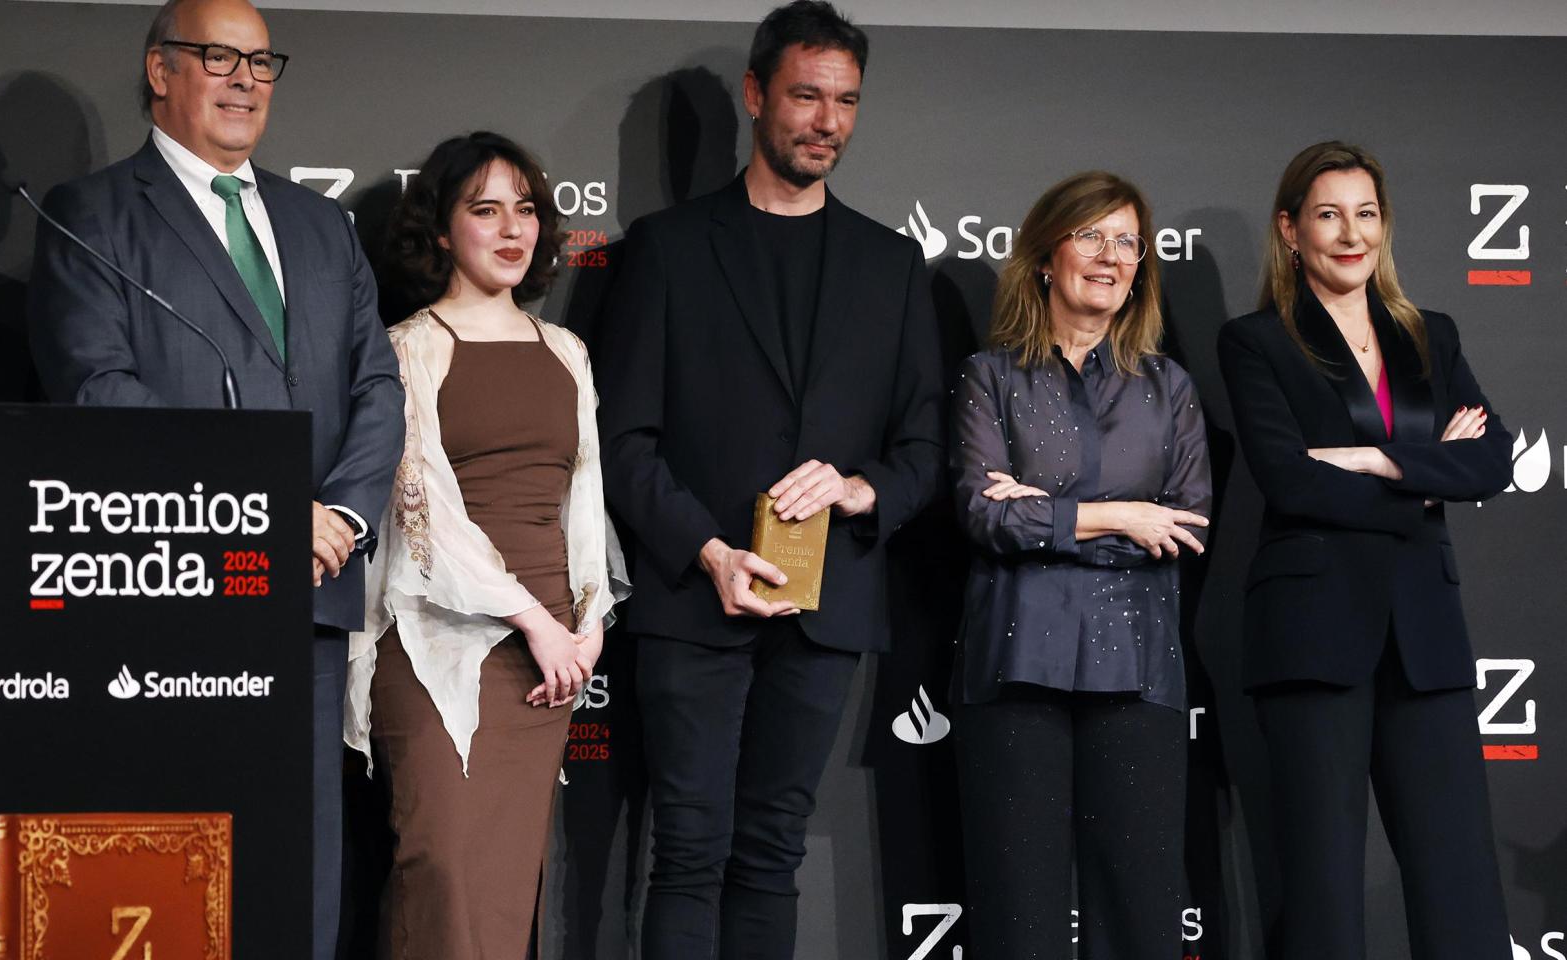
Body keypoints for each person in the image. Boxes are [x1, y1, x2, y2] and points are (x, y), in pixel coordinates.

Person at [24, 2, 405, 956]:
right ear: (161, 71)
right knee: (178, 867)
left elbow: (377, 386)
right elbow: (97, 391)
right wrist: (268, 511)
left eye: (261, 62)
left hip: (310, 594)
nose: (244, 80)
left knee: (297, 868)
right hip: (171, 601)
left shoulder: (322, 226)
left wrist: (341, 519)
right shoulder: (93, 214)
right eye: (218, 57)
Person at [595, 3, 943, 956]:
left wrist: (861, 490)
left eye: (846, 101)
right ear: (756, 95)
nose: (826, 121)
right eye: (806, 95)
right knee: (689, 853)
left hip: (826, 607)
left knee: (771, 855)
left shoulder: (891, 264)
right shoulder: (669, 248)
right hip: (693, 598)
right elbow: (622, 440)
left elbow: (924, 448)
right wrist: (708, 551)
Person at [1218, 141, 1513, 960]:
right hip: (1313, 636)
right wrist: (1429, 475)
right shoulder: (1256, 342)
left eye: (1366, 214)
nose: (1351, 234)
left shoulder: (1431, 336)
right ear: (1291, 230)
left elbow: (1494, 460)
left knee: (1461, 886)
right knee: (1322, 894)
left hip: (1425, 634)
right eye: (1328, 215)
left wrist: (1378, 460)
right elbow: (1291, 481)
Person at [344, 131, 626, 960]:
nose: (512, 229)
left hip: (549, 662)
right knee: (440, 868)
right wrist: (535, 622)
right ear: (440, 229)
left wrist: (587, 627)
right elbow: (422, 511)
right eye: (486, 210)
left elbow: (586, 503)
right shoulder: (408, 348)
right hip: (437, 642)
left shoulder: (566, 351)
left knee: (506, 881)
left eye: (525, 210)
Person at [949, 171, 1210, 958]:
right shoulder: (990, 377)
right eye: (1091, 235)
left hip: (1138, 671)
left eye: (1127, 241)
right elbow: (984, 515)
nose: (1111, 255)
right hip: (1014, 669)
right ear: (1044, 255)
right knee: (1017, 919)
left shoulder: (1170, 389)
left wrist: (1045, 512)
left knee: (1139, 918)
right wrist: (1120, 514)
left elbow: (1182, 527)